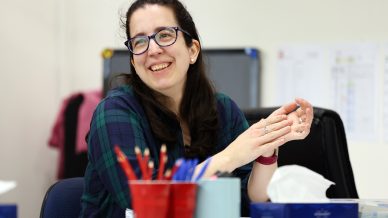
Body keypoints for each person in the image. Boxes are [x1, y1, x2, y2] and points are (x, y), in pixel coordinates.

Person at [79, 0, 314, 217]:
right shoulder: (114, 111)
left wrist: (266, 145)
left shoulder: (223, 110)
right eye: (139, 41)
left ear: (192, 50)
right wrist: (231, 156)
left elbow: (251, 201)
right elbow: (141, 200)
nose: (152, 50)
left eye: (165, 35)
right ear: (133, 60)